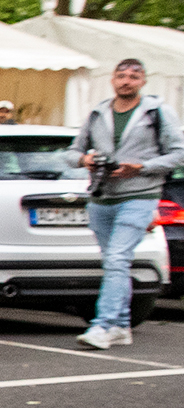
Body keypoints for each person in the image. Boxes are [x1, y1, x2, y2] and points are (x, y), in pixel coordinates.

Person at [68, 58, 180, 350]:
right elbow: (72, 152)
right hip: (102, 195)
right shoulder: (98, 112)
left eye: (133, 76)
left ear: (143, 81)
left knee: (118, 258)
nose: (126, 81)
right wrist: (85, 160)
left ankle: (102, 326)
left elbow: (178, 154)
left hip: (140, 195)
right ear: (112, 80)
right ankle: (120, 325)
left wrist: (141, 167)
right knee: (114, 263)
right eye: (121, 76)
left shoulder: (157, 112)